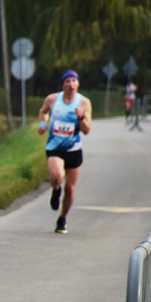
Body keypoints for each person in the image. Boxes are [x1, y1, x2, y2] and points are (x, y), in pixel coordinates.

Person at [37, 70, 92, 234]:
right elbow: (43, 112)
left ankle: (62, 219)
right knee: (57, 176)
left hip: (73, 149)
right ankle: (55, 189)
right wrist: (42, 124)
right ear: (63, 85)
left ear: (78, 84)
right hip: (54, 147)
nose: (71, 84)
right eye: (67, 81)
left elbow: (87, 130)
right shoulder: (53, 99)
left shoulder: (83, 103)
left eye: (74, 81)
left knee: (70, 188)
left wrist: (81, 118)